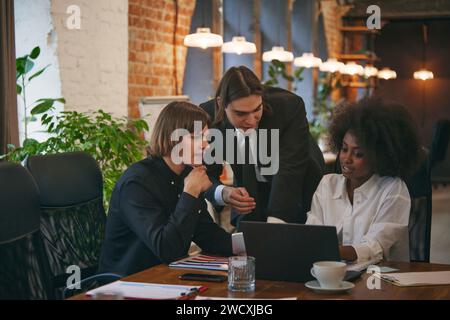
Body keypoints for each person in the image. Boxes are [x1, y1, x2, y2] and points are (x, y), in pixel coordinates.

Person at [98, 101, 232, 276]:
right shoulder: (137, 183)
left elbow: (208, 235)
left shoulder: (185, 174)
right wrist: (190, 192)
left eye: (205, 137)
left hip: (165, 277)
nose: (205, 144)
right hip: (127, 282)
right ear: (172, 138)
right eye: (195, 137)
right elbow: (167, 249)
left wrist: (254, 245)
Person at [200, 66, 325, 227]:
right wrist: (224, 192)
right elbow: (204, 173)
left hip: (298, 190)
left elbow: (289, 169)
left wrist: (274, 226)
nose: (251, 120)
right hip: (251, 194)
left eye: (257, 110)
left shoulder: (289, 106)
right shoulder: (208, 116)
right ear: (221, 104)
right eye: (241, 114)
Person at [306, 97, 423, 262]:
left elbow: (374, 248)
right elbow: (312, 235)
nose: (346, 159)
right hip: (331, 276)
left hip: (379, 280)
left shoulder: (393, 189)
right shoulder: (327, 184)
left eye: (358, 153)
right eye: (344, 149)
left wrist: (328, 250)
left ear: (379, 156)